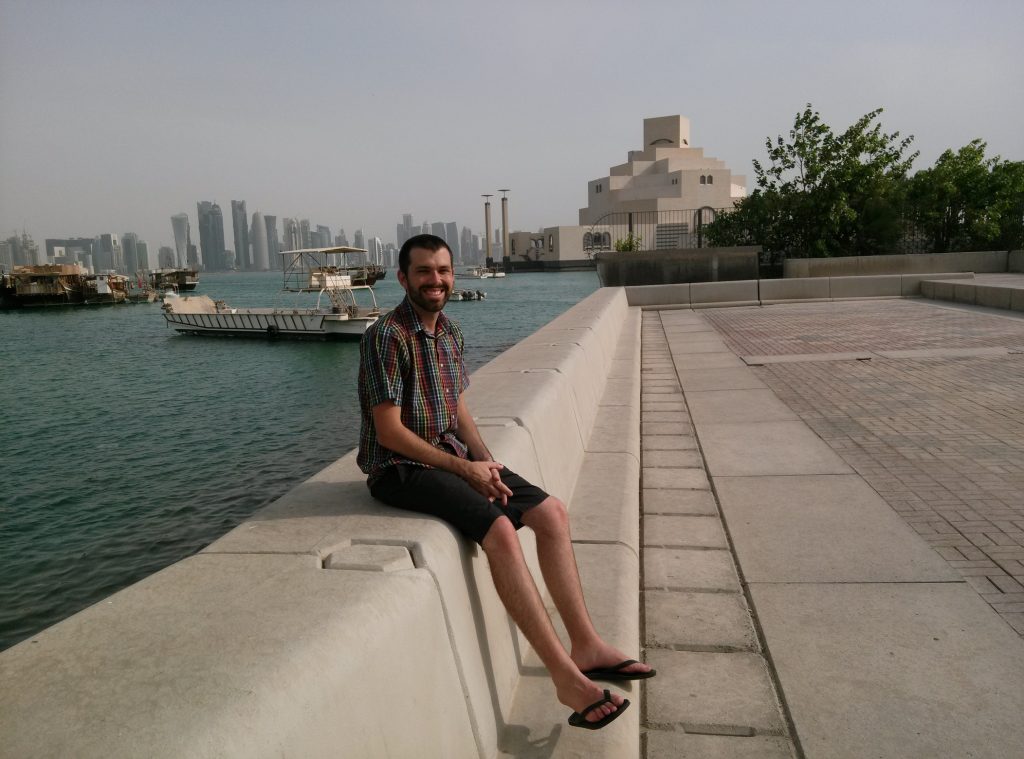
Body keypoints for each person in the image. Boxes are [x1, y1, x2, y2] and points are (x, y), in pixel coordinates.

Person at [357, 234, 654, 731]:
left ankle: (586, 645)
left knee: (551, 512)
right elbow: (389, 431)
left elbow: (457, 410)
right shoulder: (387, 336)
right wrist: (464, 470)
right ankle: (565, 678)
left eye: (444, 271)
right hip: (399, 469)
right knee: (499, 532)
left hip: (450, 456)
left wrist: (487, 466)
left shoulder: (449, 332)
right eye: (425, 271)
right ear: (403, 277)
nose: (436, 281)